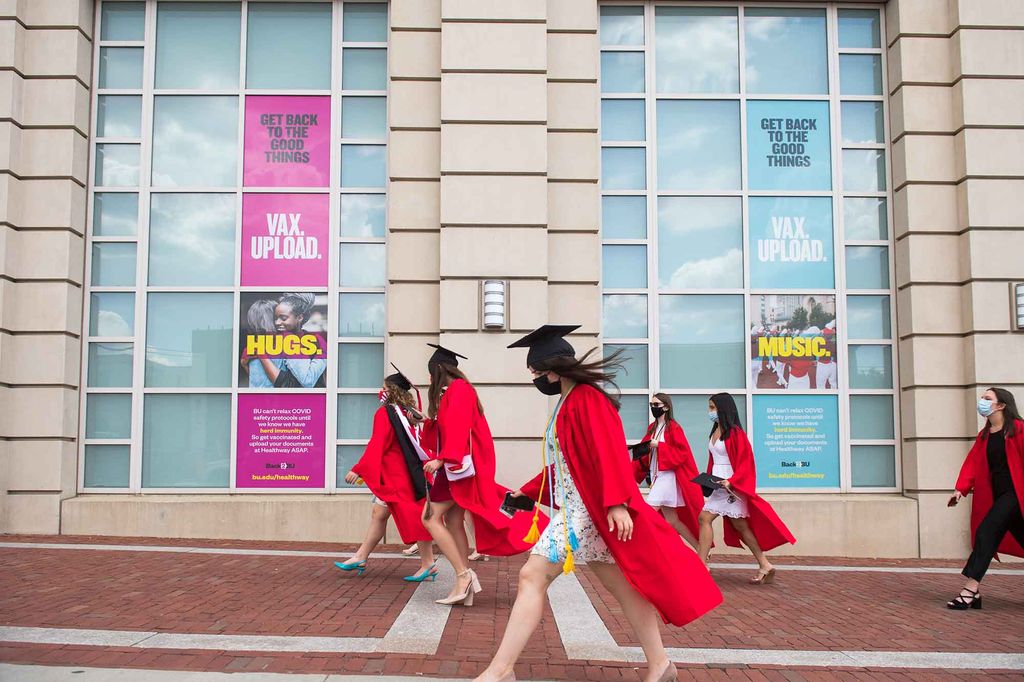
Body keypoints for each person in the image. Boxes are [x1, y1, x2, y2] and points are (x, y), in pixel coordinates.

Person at [474, 326, 722, 682]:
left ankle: (500, 670)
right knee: (622, 589)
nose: (534, 379)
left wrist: (617, 502)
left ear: (553, 369)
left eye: (535, 372)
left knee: (532, 575)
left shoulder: (587, 398)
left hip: (587, 512)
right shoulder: (571, 399)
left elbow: (609, 452)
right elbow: (569, 463)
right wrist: (529, 491)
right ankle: (660, 664)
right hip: (586, 508)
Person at [420, 344, 543, 606]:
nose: (429, 379)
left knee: (430, 518)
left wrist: (442, 458)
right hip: (456, 467)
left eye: (431, 373)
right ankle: (462, 583)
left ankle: (464, 576)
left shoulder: (460, 390)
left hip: (456, 468)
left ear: (440, 370)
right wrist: (427, 421)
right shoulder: (456, 391)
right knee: (452, 522)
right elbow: (450, 427)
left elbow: (460, 427)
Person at [335, 367, 437, 581]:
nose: (380, 392)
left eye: (384, 388)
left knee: (416, 517)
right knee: (379, 515)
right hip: (402, 475)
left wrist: (358, 468)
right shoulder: (404, 413)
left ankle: (428, 564)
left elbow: (377, 444)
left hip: (398, 478)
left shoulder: (391, 413)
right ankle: (361, 556)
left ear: (392, 391)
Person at [698, 392, 795, 584]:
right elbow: (714, 460)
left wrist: (732, 481)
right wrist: (707, 481)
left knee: (705, 518)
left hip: (729, 485)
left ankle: (701, 565)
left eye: (712, 408)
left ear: (723, 409)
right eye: (710, 407)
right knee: (740, 526)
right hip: (718, 483)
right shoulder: (715, 431)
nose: (710, 411)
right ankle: (764, 564)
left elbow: (746, 462)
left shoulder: (735, 433)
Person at [946, 387, 1024, 609]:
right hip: (996, 496)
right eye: (983, 398)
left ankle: (970, 589)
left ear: (1001, 405)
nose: (982, 401)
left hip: (1016, 494)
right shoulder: (985, 435)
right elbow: (973, 463)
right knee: (991, 535)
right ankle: (974, 591)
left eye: (988, 398)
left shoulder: (1019, 430)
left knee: (986, 532)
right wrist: (960, 489)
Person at [636, 394, 701, 550]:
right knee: (672, 520)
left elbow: (682, 453)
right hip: (657, 475)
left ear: (666, 407)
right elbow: (645, 453)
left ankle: (652, 550)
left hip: (667, 477)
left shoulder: (674, 427)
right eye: (651, 404)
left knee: (647, 514)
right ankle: (701, 549)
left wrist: (658, 445)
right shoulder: (652, 427)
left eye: (656, 404)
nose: (653, 407)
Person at [259, 293, 327, 388]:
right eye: (275, 318)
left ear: (300, 317)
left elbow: (307, 381)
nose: (277, 323)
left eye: (283, 318)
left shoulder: (305, 340)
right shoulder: (276, 341)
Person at [240, 298, 282, 388]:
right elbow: (258, 381)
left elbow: (282, 383)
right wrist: (245, 365)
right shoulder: (252, 348)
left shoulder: (288, 346)